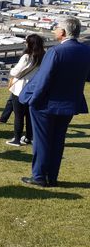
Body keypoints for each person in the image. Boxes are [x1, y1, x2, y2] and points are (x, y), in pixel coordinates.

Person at [19, 17, 90, 187]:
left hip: (46, 104)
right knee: (58, 141)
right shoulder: (86, 51)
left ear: (63, 32)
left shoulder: (56, 52)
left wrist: (33, 101)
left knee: (42, 141)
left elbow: (44, 79)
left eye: (56, 27)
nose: (54, 30)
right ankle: (52, 176)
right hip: (69, 102)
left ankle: (39, 177)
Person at [6, 34, 45, 147]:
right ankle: (28, 137)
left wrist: (12, 69)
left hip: (20, 88)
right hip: (33, 88)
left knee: (18, 115)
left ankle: (17, 139)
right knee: (29, 115)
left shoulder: (27, 57)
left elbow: (15, 72)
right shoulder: (43, 56)